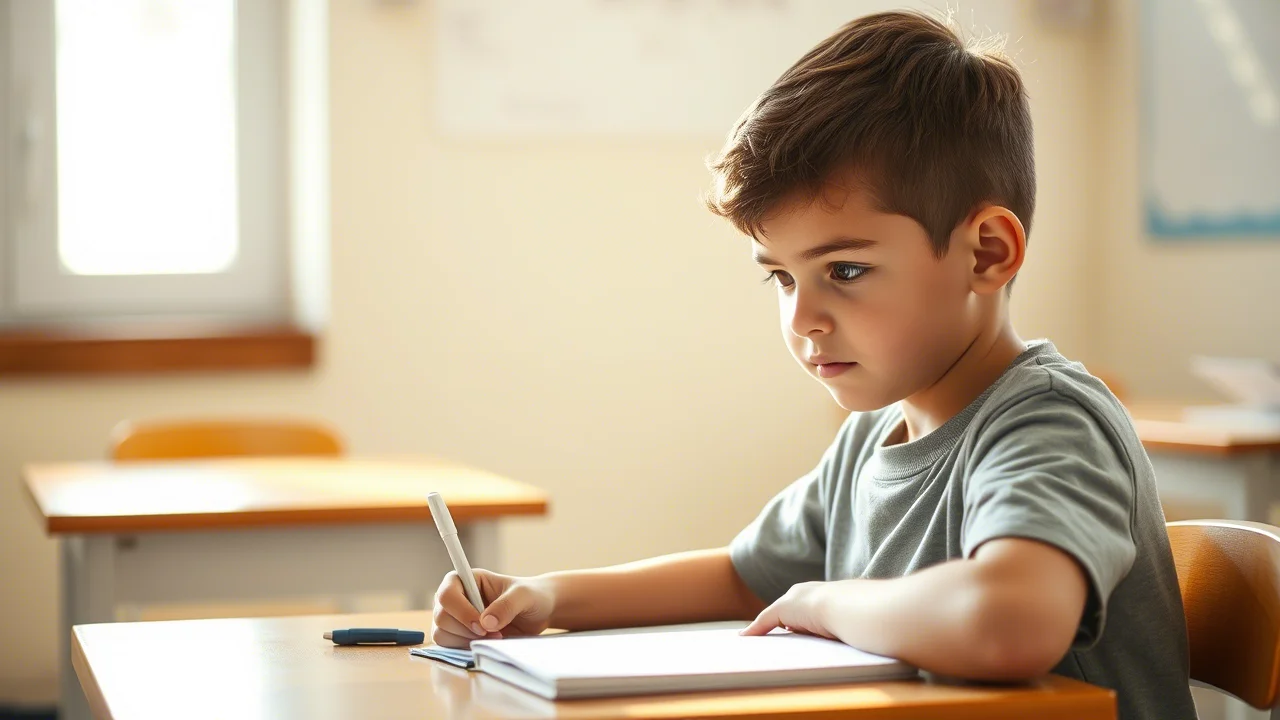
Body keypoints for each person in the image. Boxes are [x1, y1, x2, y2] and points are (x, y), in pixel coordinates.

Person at [431, 11, 1195, 720]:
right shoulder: (869, 441)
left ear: (986, 253)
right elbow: (742, 576)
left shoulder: (1049, 422)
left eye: (847, 271)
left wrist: (830, 605)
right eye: (782, 278)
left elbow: (1007, 624)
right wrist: (546, 596)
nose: (802, 320)